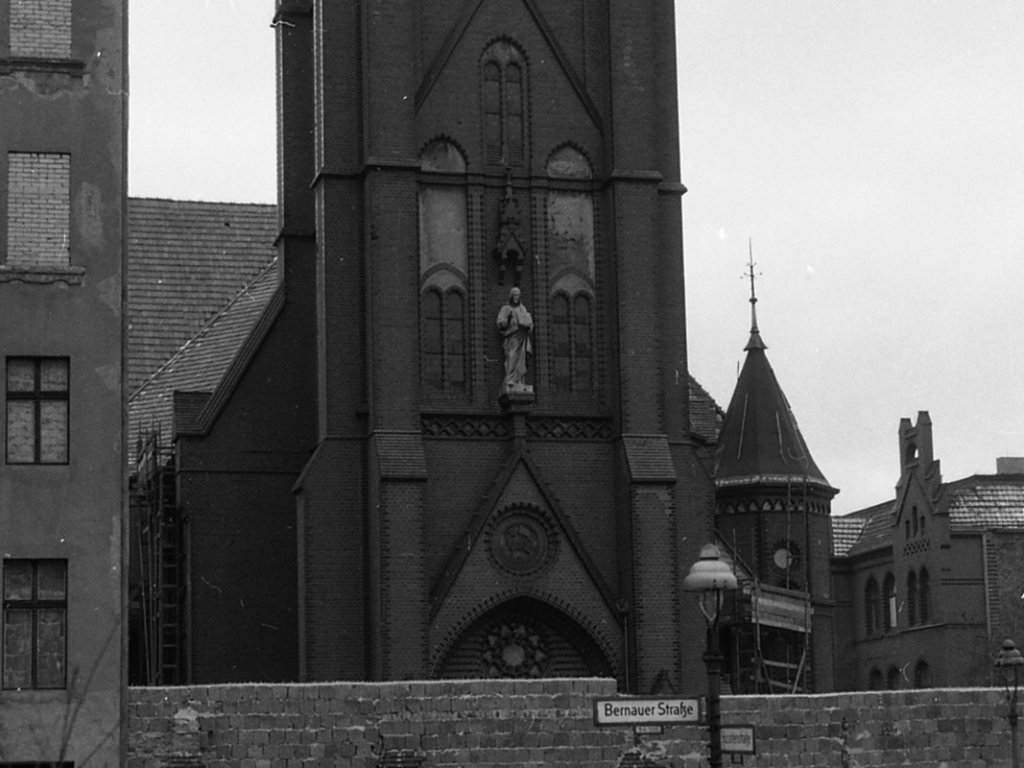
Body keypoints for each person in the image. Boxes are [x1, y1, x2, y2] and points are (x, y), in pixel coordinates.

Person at [496, 287, 533, 392]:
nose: (516, 297)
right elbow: (500, 323)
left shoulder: (523, 309)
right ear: (511, 296)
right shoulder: (506, 309)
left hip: (522, 337)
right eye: (514, 295)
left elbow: (529, 323)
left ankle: (520, 381)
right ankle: (510, 379)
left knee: (521, 360)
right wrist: (508, 319)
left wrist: (528, 326)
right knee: (511, 357)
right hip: (512, 337)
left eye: (518, 295)